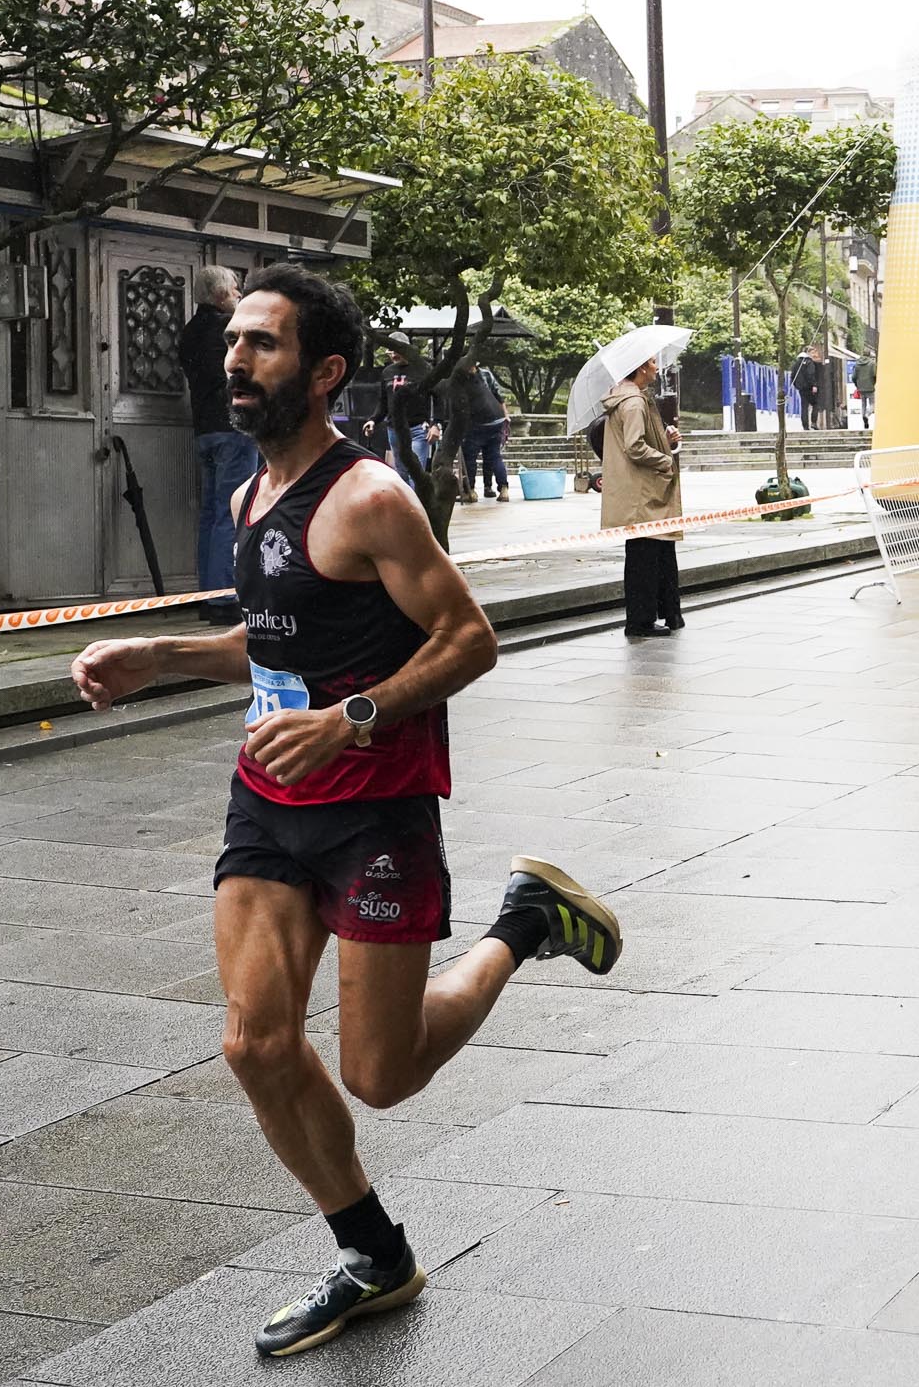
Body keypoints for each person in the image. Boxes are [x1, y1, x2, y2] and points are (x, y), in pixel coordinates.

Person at [67, 264, 621, 1359]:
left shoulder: (368, 495)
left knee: (381, 1071)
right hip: (269, 804)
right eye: (234, 341)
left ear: (322, 372)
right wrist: (156, 653)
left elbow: (469, 637)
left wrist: (351, 717)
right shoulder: (249, 493)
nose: (237, 358)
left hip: (376, 812)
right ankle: (374, 1253)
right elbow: (273, 641)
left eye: (263, 344)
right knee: (255, 1043)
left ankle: (522, 921)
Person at [180, 266, 254, 624]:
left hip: (204, 429)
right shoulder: (226, 334)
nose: (239, 294)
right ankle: (226, 597)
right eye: (235, 289)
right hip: (232, 428)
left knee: (210, 513)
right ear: (221, 294)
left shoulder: (190, 332)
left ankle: (208, 595)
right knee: (231, 512)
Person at [602, 354, 685, 634]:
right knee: (645, 558)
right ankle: (641, 621)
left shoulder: (634, 398)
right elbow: (635, 446)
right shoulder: (634, 402)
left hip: (642, 491)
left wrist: (666, 439)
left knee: (657, 553)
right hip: (642, 493)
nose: (656, 367)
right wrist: (665, 460)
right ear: (639, 368)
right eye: (651, 362)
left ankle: (665, 613)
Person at [445, 362, 510, 503]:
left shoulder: (462, 380)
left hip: (479, 422)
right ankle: (503, 488)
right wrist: (505, 416)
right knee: (495, 456)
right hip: (496, 419)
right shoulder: (483, 376)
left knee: (469, 457)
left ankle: (471, 491)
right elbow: (498, 396)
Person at [792, 341, 827, 430]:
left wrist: (796, 385)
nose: (814, 354)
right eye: (812, 352)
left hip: (801, 388)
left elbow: (793, 375)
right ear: (808, 353)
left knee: (804, 406)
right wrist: (814, 385)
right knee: (815, 404)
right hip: (809, 388)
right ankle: (814, 422)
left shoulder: (797, 363)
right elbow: (810, 374)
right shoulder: (809, 362)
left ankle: (805, 426)